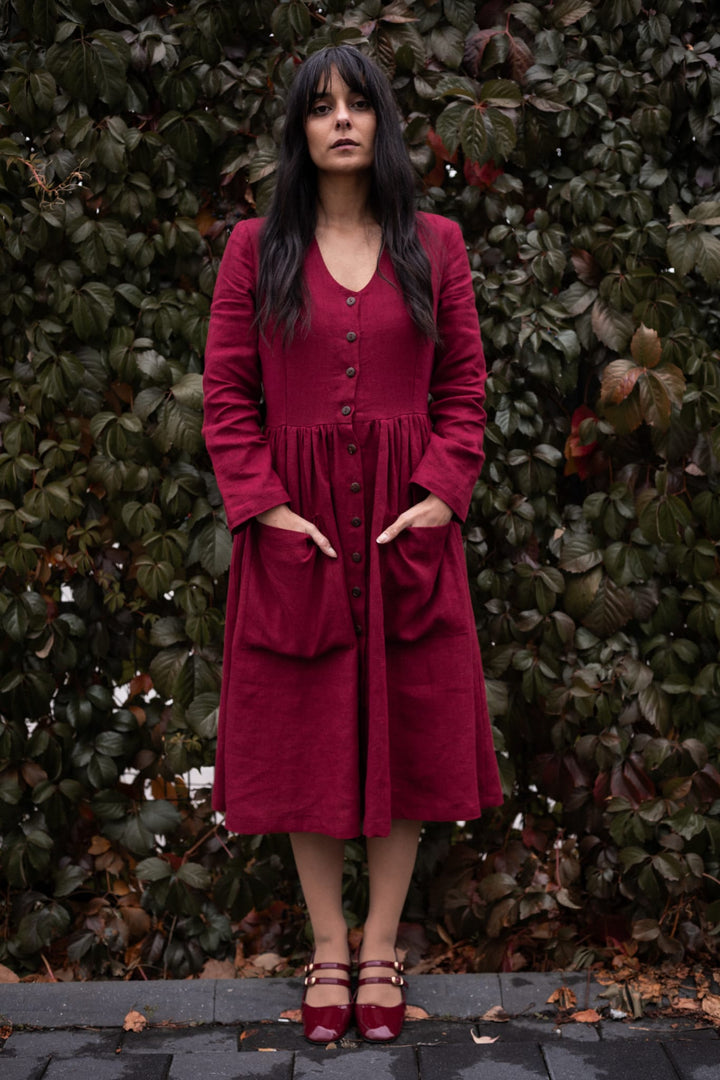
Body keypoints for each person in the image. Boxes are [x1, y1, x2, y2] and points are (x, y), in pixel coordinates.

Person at [202, 44, 503, 1044]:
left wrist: (439, 495)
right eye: (321, 106)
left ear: (383, 123)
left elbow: (463, 388)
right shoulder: (255, 249)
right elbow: (227, 397)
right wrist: (263, 506)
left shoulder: (438, 245)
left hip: (403, 525)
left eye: (358, 104)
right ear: (299, 128)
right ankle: (327, 946)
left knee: (409, 719)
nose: (340, 120)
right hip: (304, 528)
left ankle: (381, 945)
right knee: (303, 724)